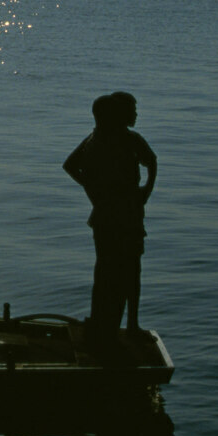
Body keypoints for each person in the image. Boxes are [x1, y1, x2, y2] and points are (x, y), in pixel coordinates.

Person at [64, 92, 157, 344]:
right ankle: (114, 326)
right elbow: (71, 165)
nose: (136, 115)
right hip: (120, 217)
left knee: (110, 270)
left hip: (114, 214)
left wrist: (144, 191)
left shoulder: (100, 139)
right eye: (131, 110)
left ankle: (113, 324)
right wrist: (94, 189)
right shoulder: (119, 139)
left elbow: (151, 162)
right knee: (121, 271)